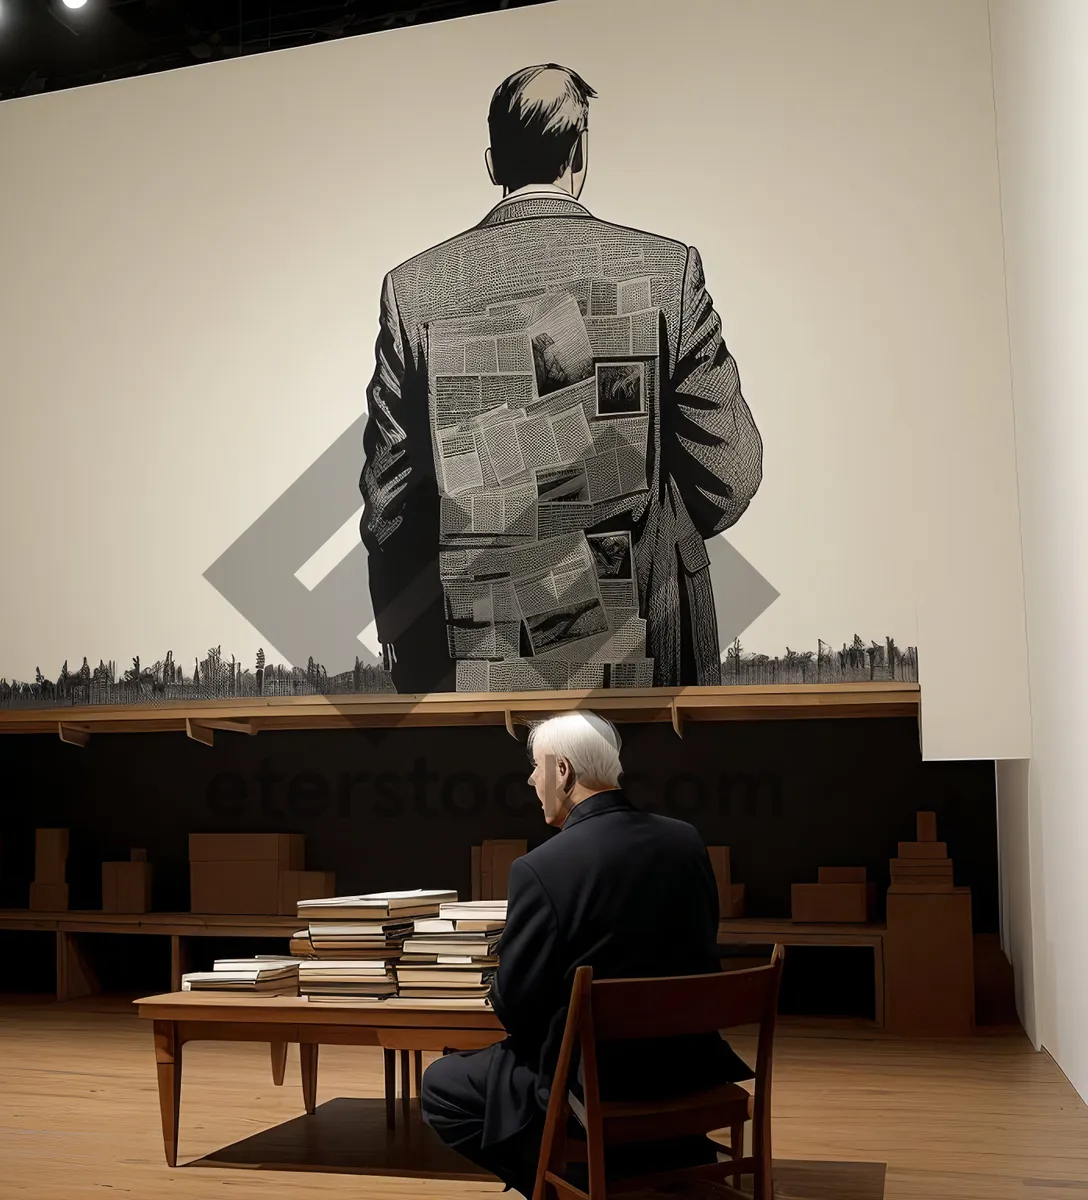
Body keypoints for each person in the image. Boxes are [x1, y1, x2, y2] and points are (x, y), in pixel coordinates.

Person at [360, 64, 763, 695]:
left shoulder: (415, 294)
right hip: (644, 661)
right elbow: (728, 478)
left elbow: (391, 514)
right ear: (577, 154)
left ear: (493, 163)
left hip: (472, 668)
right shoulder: (668, 274)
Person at [420, 712, 752, 1197]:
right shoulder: (686, 842)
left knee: (442, 1086)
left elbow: (516, 1008)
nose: (532, 779)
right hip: (690, 1067)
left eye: (536, 767)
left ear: (563, 772)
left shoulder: (540, 867)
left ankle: (582, 1180)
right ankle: (648, 1165)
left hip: (603, 1082)